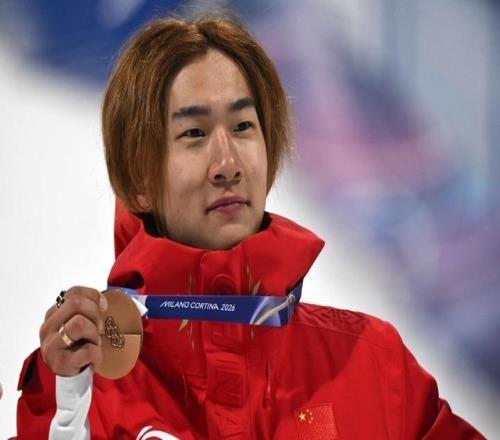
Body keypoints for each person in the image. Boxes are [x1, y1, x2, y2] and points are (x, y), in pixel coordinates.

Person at [14, 13, 485, 440]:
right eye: (194, 133)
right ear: (138, 182)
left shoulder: (370, 362)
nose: (228, 164)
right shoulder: (80, 383)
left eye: (243, 127)